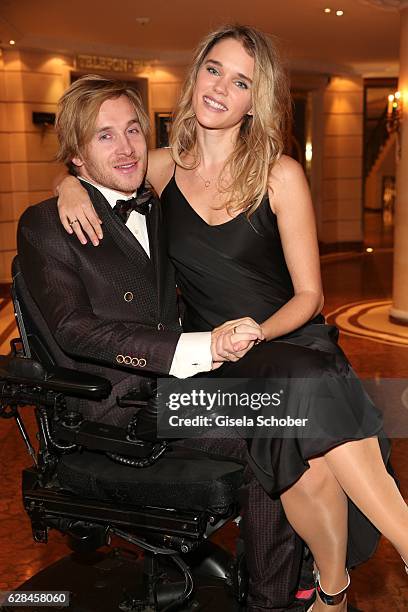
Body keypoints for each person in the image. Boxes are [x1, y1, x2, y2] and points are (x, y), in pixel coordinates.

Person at [56, 25, 408, 612]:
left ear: (257, 99)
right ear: (196, 74)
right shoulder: (162, 168)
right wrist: (70, 184)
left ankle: (335, 591)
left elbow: (310, 296)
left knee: (304, 419)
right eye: (214, 69)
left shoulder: (281, 174)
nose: (221, 87)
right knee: (306, 421)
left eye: (241, 81)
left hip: (286, 343)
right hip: (213, 371)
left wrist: (258, 332)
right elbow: (98, 166)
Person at [18, 75, 309, 612]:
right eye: (104, 136)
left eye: (133, 129)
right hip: (117, 405)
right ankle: (274, 599)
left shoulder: (156, 205)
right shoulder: (45, 225)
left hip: (178, 390)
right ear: (76, 155)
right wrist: (198, 350)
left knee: (302, 414)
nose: (127, 147)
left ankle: (294, 583)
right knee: (276, 431)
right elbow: (74, 331)